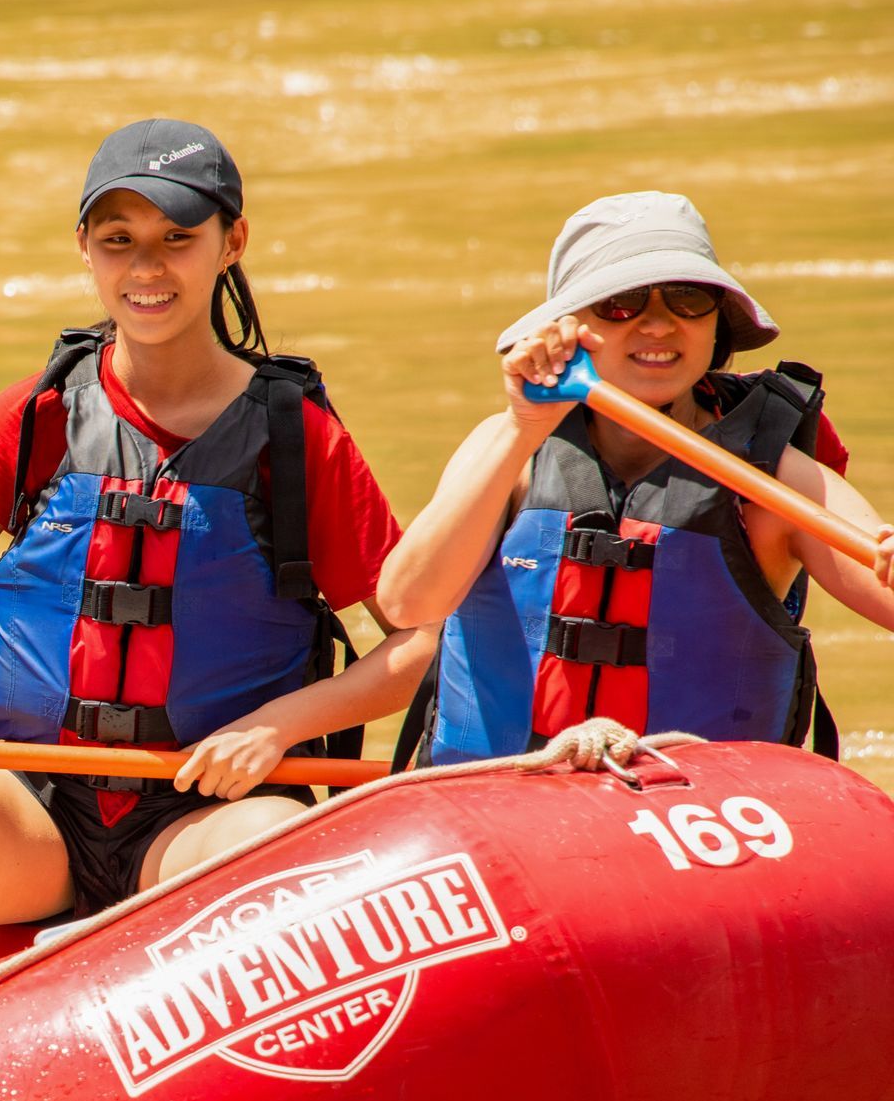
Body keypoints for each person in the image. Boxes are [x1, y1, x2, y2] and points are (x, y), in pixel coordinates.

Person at [0, 120, 432, 927]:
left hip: (203, 817)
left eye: (178, 237)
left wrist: (279, 725)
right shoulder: (36, 415)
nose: (147, 267)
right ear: (84, 246)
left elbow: (418, 641)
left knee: (275, 846)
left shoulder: (296, 438)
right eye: (119, 239)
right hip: (35, 815)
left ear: (233, 243)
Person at [376, 191, 894, 765]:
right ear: (566, 329)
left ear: (718, 319)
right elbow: (407, 603)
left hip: (697, 813)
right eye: (620, 303)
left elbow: (882, 580)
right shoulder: (510, 449)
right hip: (503, 795)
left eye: (687, 297)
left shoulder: (774, 482)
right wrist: (524, 427)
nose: (657, 324)